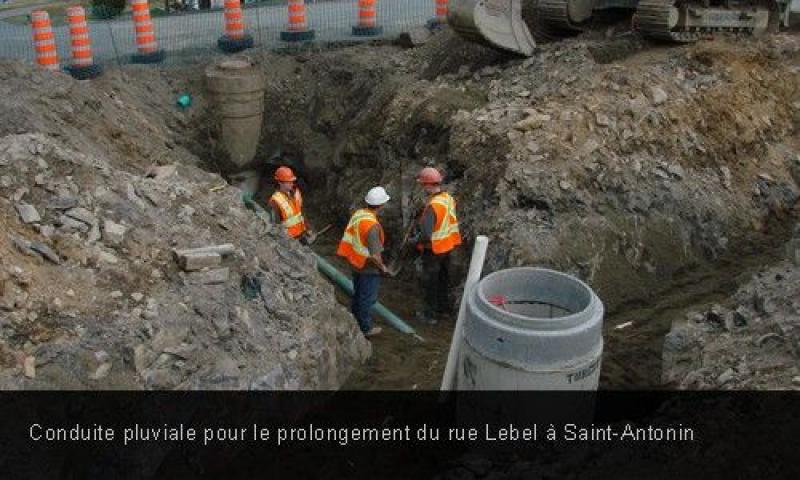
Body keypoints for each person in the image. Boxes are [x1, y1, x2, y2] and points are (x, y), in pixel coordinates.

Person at [336, 186, 393, 338]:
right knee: (367, 298)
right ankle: (365, 328)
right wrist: (383, 268)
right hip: (367, 267)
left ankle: (354, 319)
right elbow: (375, 255)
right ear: (381, 205)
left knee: (358, 294)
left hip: (355, 261)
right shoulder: (372, 226)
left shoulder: (359, 214)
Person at [414, 167, 461, 325]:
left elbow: (426, 235)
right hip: (448, 246)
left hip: (433, 250)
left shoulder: (432, 207)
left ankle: (430, 315)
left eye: (423, 185)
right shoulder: (447, 198)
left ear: (427, 185)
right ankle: (444, 309)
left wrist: (414, 241)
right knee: (443, 279)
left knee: (431, 282)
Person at [268, 166, 314, 243]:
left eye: (292, 181)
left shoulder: (296, 192)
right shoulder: (275, 201)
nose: (291, 183)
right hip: (290, 240)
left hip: (302, 234)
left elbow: (301, 213)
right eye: (288, 182)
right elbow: (275, 226)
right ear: (280, 182)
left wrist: (308, 228)